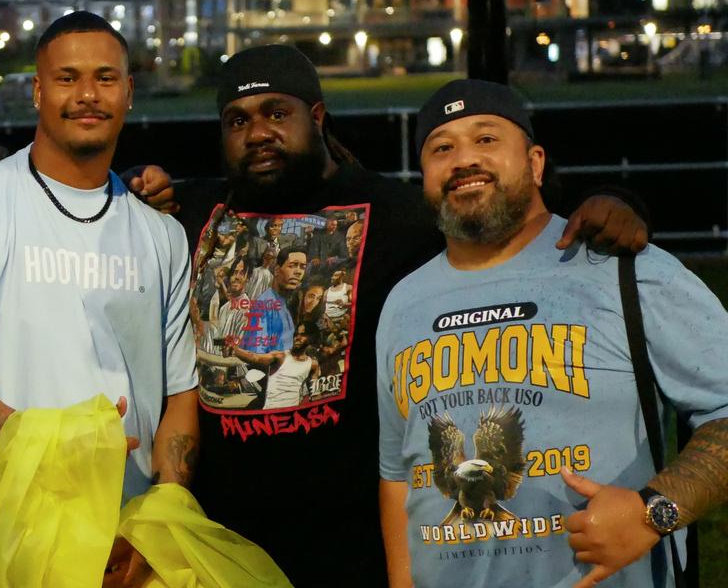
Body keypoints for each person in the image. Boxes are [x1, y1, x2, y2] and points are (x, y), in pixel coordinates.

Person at [168, 44, 651, 586]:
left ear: (318, 117)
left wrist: (615, 198)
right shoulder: (189, 213)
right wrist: (141, 179)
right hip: (220, 544)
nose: (258, 133)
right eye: (238, 120)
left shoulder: (398, 214)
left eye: (277, 113)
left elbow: (509, 211)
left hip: (354, 548)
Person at [376, 79, 728, 587]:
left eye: (487, 139)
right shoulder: (402, 303)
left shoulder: (623, 270)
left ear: (536, 163)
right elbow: (398, 477)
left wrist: (654, 513)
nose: (463, 159)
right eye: (442, 148)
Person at [0, 12, 198, 588]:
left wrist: (162, 518)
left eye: (106, 78)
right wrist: (52, 441)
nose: (88, 94)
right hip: (2, 533)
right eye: (67, 78)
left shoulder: (161, 234)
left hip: (127, 542)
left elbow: (180, 392)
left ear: (129, 92)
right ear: (37, 90)